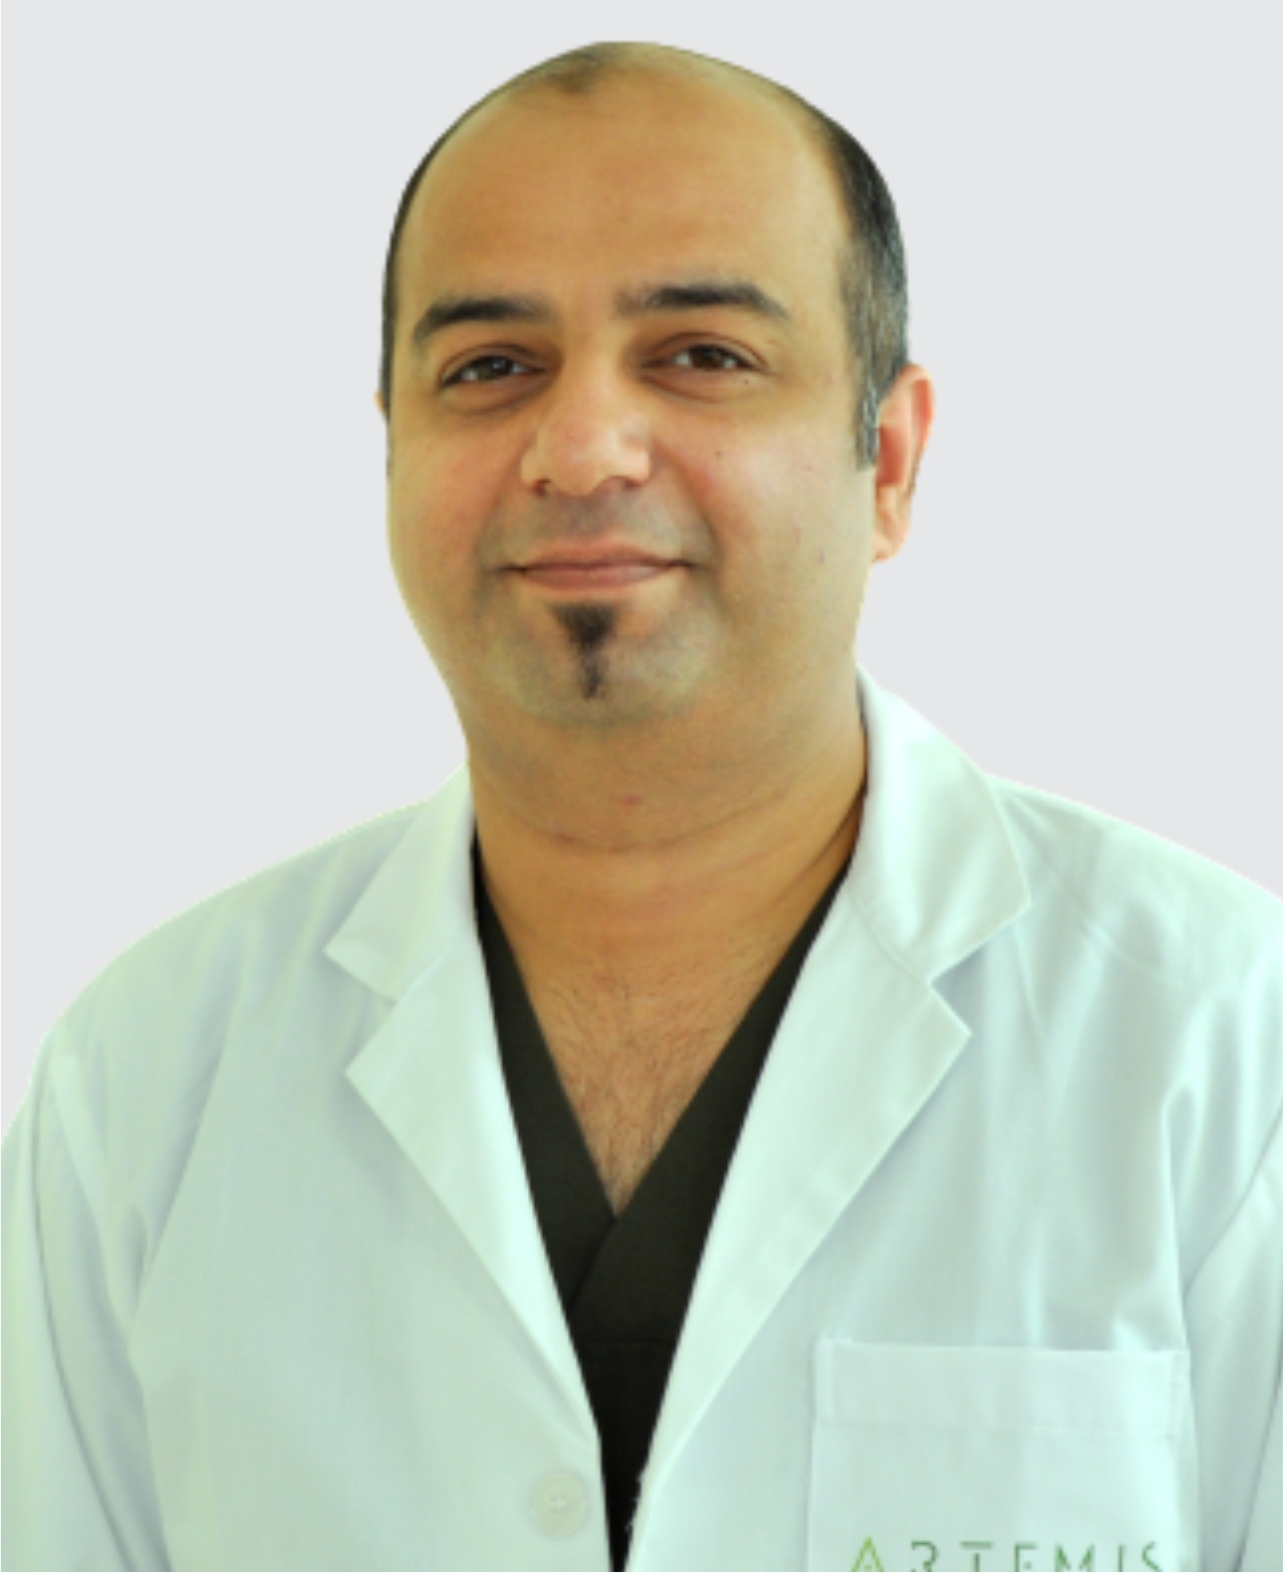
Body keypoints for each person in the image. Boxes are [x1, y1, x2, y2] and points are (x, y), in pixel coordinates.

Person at [2, 38, 1279, 1573]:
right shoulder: (143, 1083)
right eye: (491, 367)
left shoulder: (1227, 1049)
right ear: (393, 450)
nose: (583, 448)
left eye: (702, 355)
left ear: (886, 459)